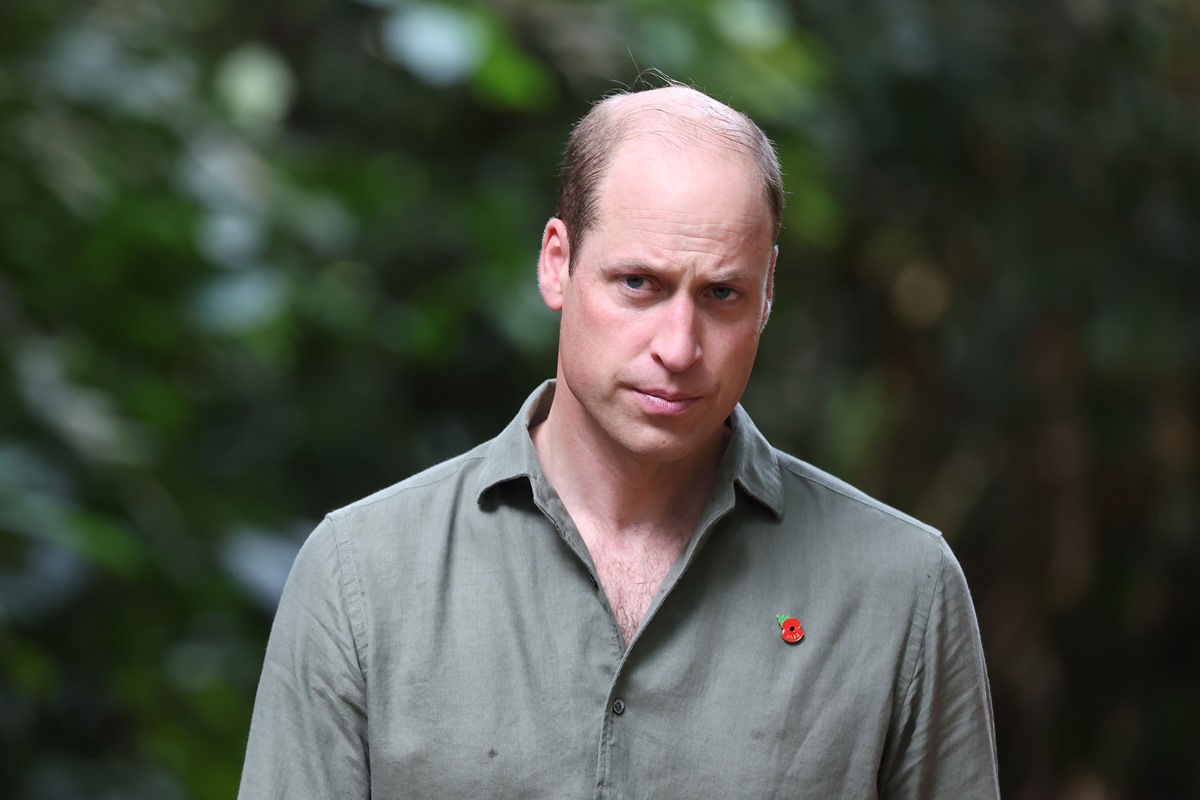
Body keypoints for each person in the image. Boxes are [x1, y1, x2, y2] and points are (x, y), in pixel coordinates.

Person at [238, 84, 1000, 798]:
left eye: (722, 295)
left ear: (767, 290)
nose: (679, 345)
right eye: (639, 284)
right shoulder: (363, 576)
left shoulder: (901, 590)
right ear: (557, 263)